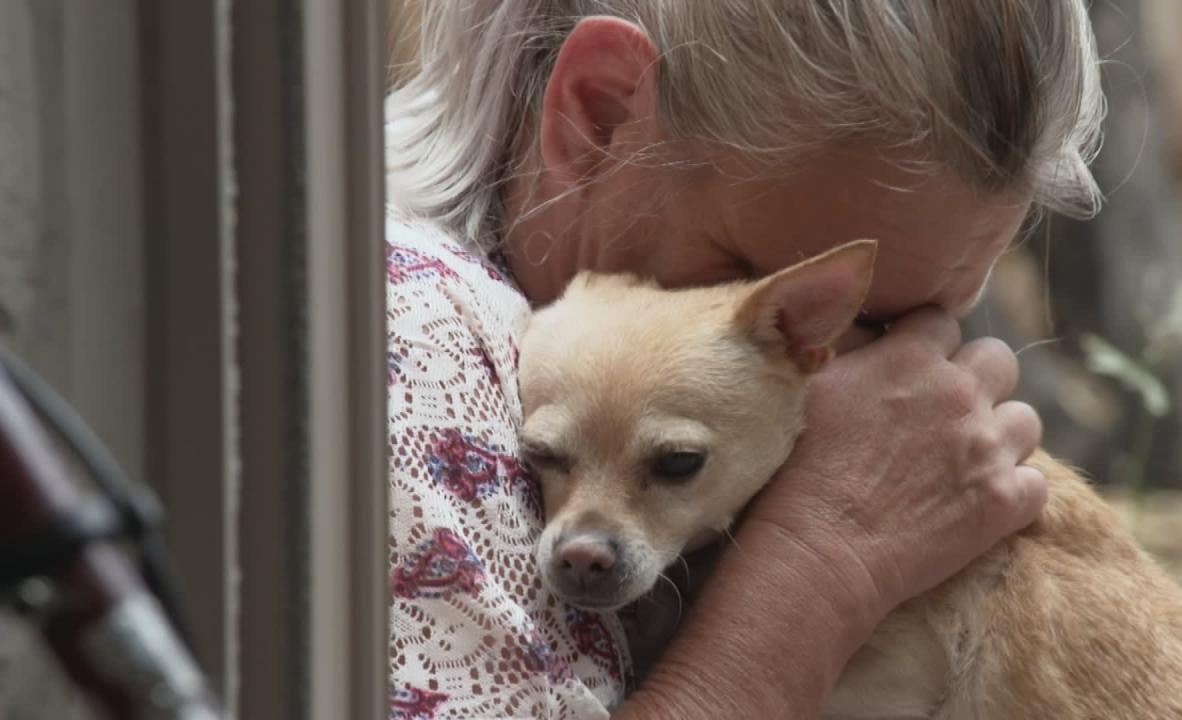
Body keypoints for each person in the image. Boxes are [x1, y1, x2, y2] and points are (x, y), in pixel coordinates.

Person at [384, 2, 1103, 718]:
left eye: (928, 326)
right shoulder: (403, 348)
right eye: (799, 306)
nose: (904, 391)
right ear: (598, 115)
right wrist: (822, 563)